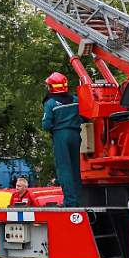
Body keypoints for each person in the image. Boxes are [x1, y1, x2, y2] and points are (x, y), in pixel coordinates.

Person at [41, 72, 84, 207]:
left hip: (61, 136)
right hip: (76, 135)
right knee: (75, 168)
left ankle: (70, 202)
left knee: (64, 169)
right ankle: (77, 200)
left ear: (52, 87)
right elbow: (84, 117)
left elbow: (46, 125)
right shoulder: (76, 100)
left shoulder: (51, 103)